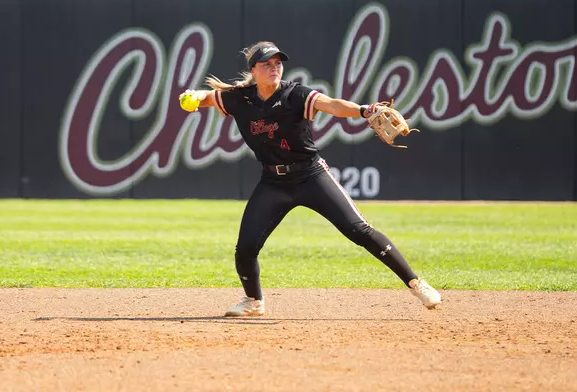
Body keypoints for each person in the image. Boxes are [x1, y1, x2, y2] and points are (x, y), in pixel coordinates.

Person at [179, 41, 442, 317]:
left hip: (311, 176)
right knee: (245, 248)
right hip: (273, 183)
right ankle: (253, 301)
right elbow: (208, 97)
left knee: (360, 231)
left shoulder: (294, 94)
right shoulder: (239, 98)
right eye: (266, 64)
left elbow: (333, 106)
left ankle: (416, 283)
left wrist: (363, 110)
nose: (274, 68)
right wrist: (193, 95)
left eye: (277, 63)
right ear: (253, 70)